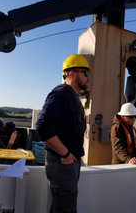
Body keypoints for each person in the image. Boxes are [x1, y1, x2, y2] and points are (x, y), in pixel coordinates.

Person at [36, 54, 91, 213]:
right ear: (72, 73)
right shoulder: (61, 95)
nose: (88, 78)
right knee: (65, 209)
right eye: (85, 73)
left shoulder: (71, 97)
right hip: (62, 162)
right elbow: (42, 126)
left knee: (62, 207)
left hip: (68, 162)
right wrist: (65, 153)